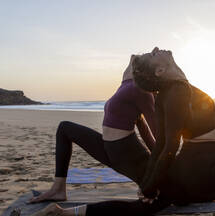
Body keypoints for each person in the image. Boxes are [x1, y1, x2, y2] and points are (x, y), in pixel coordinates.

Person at [16, 47, 215, 216]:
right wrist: (150, 184)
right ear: (160, 71)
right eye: (155, 54)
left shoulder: (174, 89)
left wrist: (151, 184)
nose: (156, 48)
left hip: (196, 171)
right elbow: (167, 145)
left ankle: (69, 213)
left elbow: (160, 144)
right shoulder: (175, 93)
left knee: (156, 203)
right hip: (203, 170)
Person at [29, 55, 156, 203]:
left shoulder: (143, 92)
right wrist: (141, 58)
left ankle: (152, 184)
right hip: (110, 149)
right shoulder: (127, 83)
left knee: (157, 189)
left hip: (127, 153)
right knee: (64, 128)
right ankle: (58, 189)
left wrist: (155, 171)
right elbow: (133, 58)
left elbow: (155, 135)